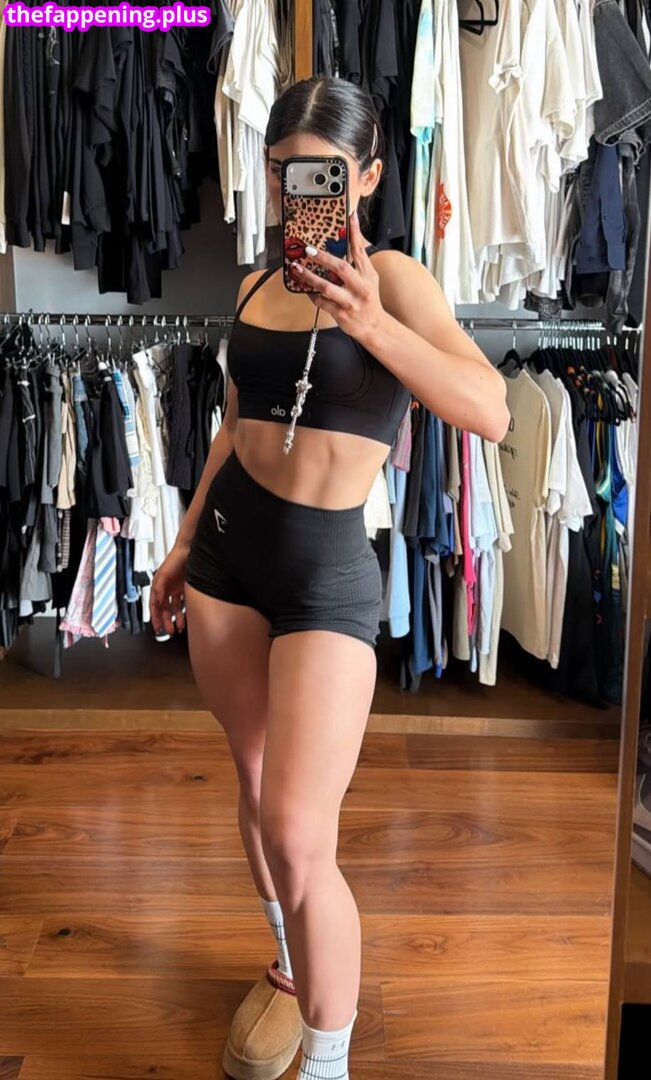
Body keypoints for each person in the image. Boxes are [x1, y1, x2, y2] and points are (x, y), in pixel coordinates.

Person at [150, 76, 510, 1080]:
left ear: (369, 177)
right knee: (254, 780)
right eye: (284, 174)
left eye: (326, 175)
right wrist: (182, 540)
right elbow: (233, 426)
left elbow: (491, 410)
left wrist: (372, 324)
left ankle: (326, 1063)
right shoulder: (254, 285)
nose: (299, 194)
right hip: (226, 559)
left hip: (324, 576)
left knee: (302, 832)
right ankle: (287, 963)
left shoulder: (394, 279)